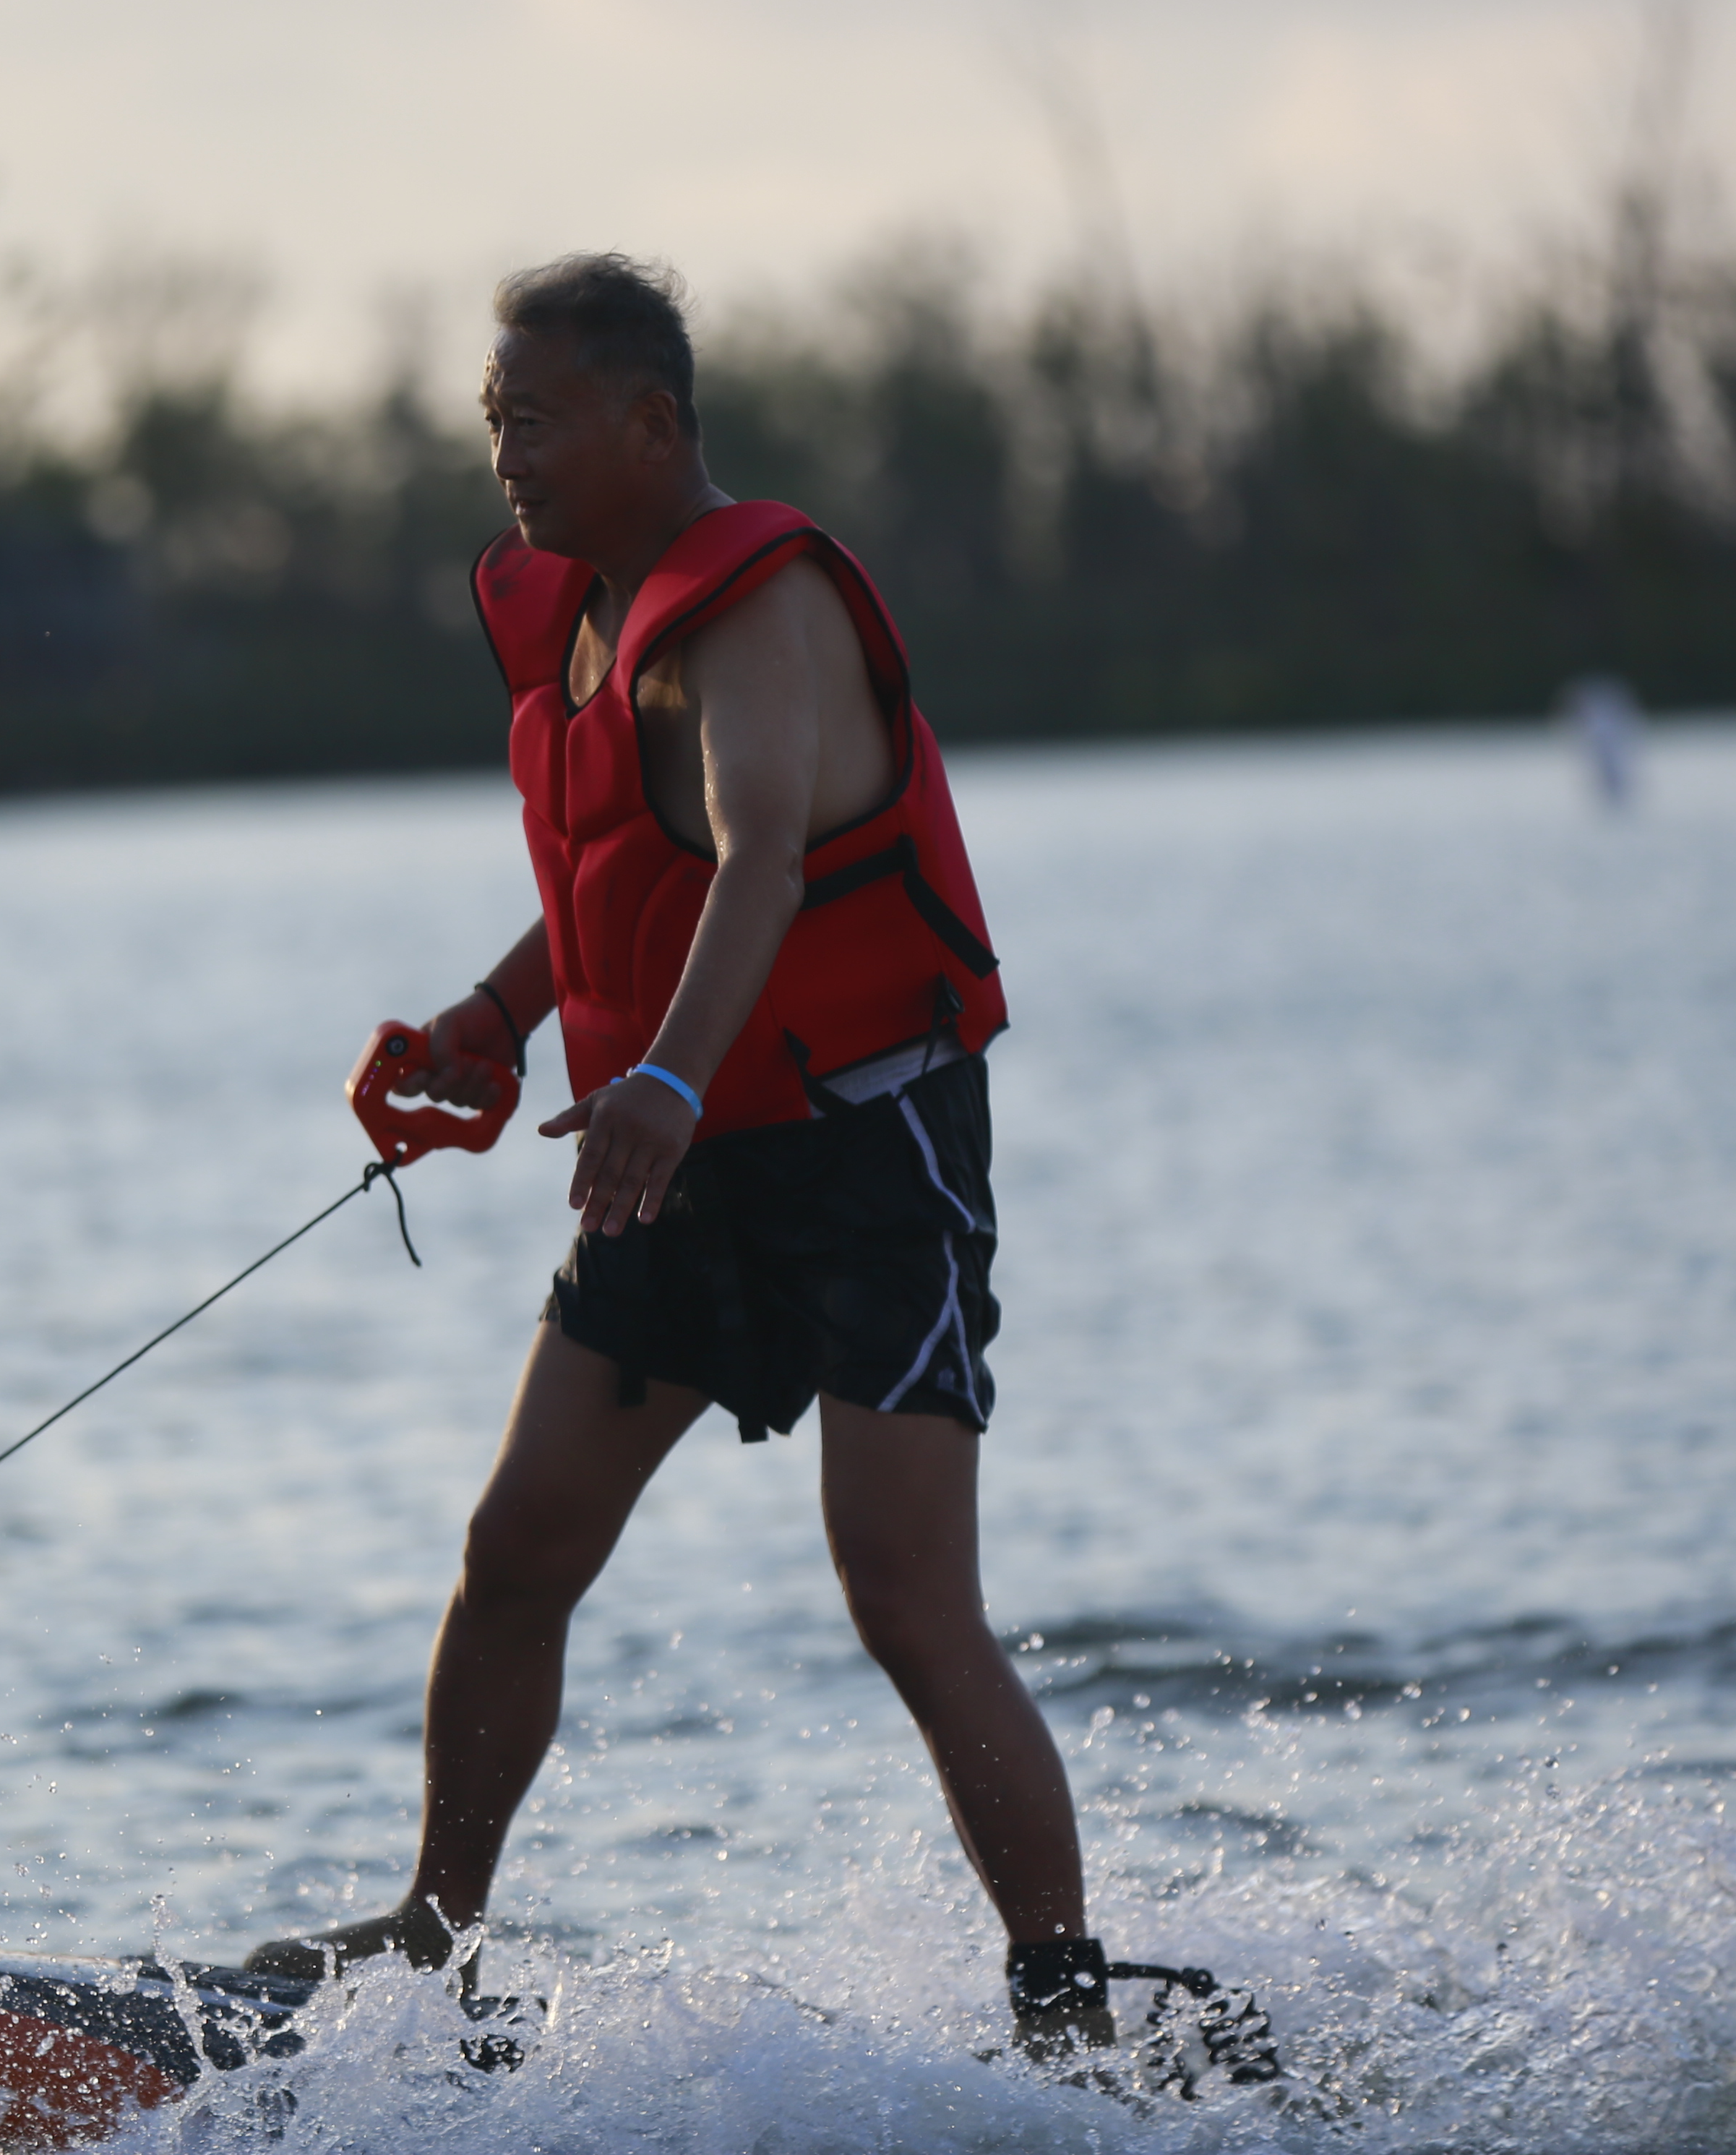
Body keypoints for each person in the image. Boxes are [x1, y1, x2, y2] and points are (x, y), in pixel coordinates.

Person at [244, 253, 1132, 2063]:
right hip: (679, 1154)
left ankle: (1065, 2000)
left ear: (653, 423)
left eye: (537, 419)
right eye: (492, 422)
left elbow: (760, 861)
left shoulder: (758, 606)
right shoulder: (588, 610)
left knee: (903, 1595)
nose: (507, 455)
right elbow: (614, 878)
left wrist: (654, 1071)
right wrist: (498, 1022)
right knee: (517, 1547)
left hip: (869, 1152)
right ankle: (432, 1935)